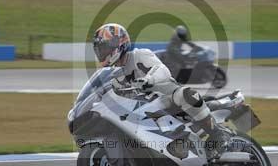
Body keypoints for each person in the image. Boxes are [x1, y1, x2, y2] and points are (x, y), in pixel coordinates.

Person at [93, 23, 228, 157]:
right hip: (144, 110)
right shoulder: (113, 74)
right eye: (100, 50)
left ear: (118, 43)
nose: (102, 52)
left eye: (105, 48)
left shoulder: (139, 55)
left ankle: (217, 133)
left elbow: (162, 70)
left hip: (168, 99)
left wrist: (149, 80)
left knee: (185, 94)